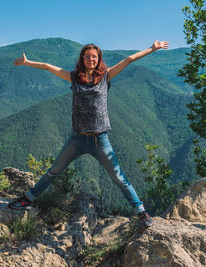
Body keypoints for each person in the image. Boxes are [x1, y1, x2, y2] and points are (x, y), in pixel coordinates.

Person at [9, 40, 170, 227]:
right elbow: (48, 66)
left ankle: (140, 211)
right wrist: (27, 63)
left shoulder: (105, 76)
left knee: (119, 177)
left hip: (100, 139)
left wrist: (152, 49)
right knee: (53, 171)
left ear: (98, 59)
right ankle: (28, 199)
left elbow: (128, 59)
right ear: (82, 59)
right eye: (87, 56)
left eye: (94, 56)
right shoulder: (74, 77)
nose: (91, 59)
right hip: (77, 139)